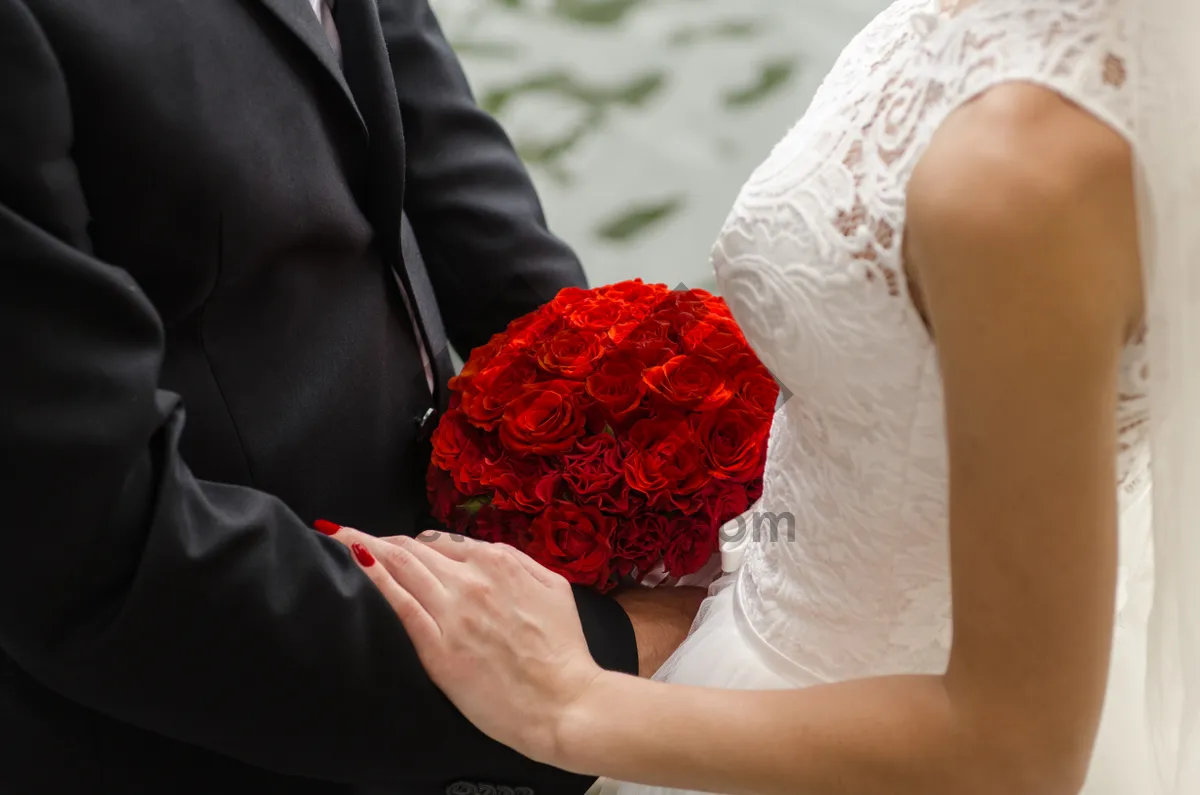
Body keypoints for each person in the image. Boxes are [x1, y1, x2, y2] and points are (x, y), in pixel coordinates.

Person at [325, 0, 1200, 793]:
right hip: (760, 597)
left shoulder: (1025, 174)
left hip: (827, 714)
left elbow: (1016, 749)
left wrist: (571, 704)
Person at [0, 0, 704, 793]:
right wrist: (589, 659)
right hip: (223, 723)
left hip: (490, 599)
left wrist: (632, 420)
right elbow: (88, 541)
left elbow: (425, 133)